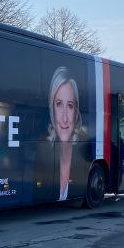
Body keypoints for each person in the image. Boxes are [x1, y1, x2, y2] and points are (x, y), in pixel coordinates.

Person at [47, 66, 83, 201]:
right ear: (52, 109)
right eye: (58, 104)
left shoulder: (82, 157)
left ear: (76, 112)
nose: (65, 118)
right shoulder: (41, 156)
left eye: (70, 106)